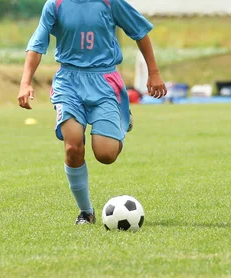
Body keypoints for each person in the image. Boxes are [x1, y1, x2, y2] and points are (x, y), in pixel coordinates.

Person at [17, 0, 167, 225]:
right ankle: (86, 212)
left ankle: (119, 118)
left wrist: (153, 73)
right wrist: (25, 82)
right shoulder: (55, 4)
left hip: (104, 80)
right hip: (69, 81)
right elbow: (37, 45)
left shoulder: (110, 2)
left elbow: (140, 32)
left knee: (105, 155)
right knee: (73, 145)